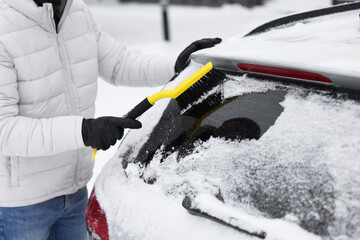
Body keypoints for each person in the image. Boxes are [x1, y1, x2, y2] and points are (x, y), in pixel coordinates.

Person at [0, 0, 221, 239]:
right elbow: (4, 129)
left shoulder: (77, 12)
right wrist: (84, 131)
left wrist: (175, 66)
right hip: (20, 206)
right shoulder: (5, 26)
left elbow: (119, 64)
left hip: (74, 192)